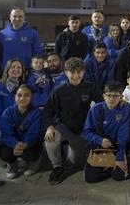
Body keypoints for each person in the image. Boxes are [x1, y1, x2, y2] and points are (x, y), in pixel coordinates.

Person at [43, 57, 101, 185]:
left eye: (79, 72)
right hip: (64, 127)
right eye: (72, 72)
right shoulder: (58, 90)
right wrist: (49, 127)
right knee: (50, 138)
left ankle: (70, 152)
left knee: (75, 162)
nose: (76, 75)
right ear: (66, 73)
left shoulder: (91, 87)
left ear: (84, 72)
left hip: (83, 130)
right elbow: (47, 112)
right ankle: (57, 166)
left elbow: (103, 104)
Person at [82, 82, 130, 182]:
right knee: (90, 179)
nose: (112, 99)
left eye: (116, 96)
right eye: (109, 95)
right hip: (99, 146)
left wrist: (120, 158)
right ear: (104, 96)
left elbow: (123, 136)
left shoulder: (125, 110)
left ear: (121, 97)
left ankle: (112, 164)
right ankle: (104, 166)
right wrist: (99, 140)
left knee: (119, 176)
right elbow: (86, 132)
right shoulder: (95, 109)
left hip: (116, 146)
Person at [0, 85, 42, 178]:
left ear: (31, 97)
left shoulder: (36, 112)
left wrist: (24, 145)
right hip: (14, 145)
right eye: (19, 95)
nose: (22, 98)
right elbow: (6, 134)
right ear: (15, 97)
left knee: (31, 153)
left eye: (26, 95)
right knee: (3, 151)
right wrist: (15, 144)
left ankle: (34, 164)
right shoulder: (7, 112)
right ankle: (12, 165)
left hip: (28, 144)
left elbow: (33, 133)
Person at [0, 7, 43, 72]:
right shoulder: (2, 33)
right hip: (6, 70)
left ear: (24, 17)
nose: (17, 19)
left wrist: (35, 68)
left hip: (25, 69)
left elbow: (38, 52)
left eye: (20, 16)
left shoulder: (33, 33)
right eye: (14, 16)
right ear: (10, 17)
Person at [0, 58, 26, 124]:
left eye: (19, 67)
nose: (16, 69)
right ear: (7, 69)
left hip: (18, 127)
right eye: (13, 67)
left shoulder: (24, 88)